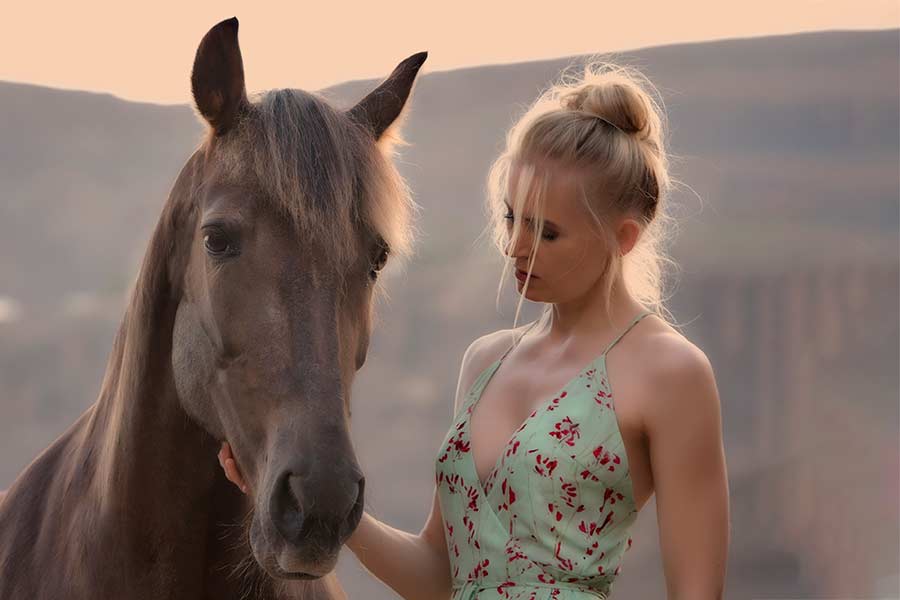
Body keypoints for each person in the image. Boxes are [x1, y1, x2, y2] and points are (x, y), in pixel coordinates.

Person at [218, 60, 730, 600]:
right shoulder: (486, 362)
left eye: (548, 232)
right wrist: (324, 512)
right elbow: (440, 576)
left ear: (622, 238)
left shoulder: (671, 374)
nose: (516, 248)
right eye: (513, 218)